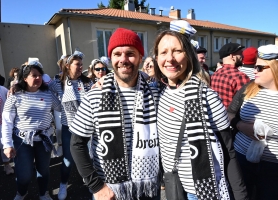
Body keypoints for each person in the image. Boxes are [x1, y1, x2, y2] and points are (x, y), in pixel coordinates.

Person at [153, 19, 247, 200]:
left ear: (188, 55)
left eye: (177, 51)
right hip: (175, 185)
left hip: (203, 192)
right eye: (163, 52)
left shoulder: (208, 96)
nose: (169, 58)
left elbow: (229, 152)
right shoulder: (160, 93)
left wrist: (241, 196)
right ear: (157, 58)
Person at [70, 28, 160, 200]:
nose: (123, 59)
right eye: (117, 53)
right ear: (111, 58)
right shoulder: (94, 96)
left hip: (148, 188)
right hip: (109, 191)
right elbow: (77, 144)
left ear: (141, 57)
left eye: (130, 53)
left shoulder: (156, 95)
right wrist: (97, 186)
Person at [1, 63, 61, 200]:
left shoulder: (48, 94)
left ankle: (43, 193)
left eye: (40, 75)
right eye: (34, 75)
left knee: (44, 171)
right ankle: (21, 193)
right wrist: (7, 145)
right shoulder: (15, 96)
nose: (38, 78)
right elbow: (7, 121)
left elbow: (61, 108)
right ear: (24, 78)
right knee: (24, 174)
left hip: (44, 139)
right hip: (22, 140)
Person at [228, 44, 278, 199]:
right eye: (255, 66)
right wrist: (240, 125)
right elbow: (229, 113)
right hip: (241, 159)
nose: (254, 71)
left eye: (260, 68)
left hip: (273, 167)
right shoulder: (249, 87)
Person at [48, 50, 93, 200]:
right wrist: (16, 88)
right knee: (68, 160)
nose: (81, 67)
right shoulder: (57, 83)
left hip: (88, 127)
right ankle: (63, 184)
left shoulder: (87, 82)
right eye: (77, 64)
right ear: (67, 66)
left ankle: (92, 185)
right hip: (70, 127)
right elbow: (39, 90)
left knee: (90, 158)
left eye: (82, 64)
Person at [211, 43, 250, 108]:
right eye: (240, 54)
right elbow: (245, 104)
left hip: (218, 115)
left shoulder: (214, 75)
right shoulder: (240, 77)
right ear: (232, 56)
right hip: (233, 116)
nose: (242, 56)